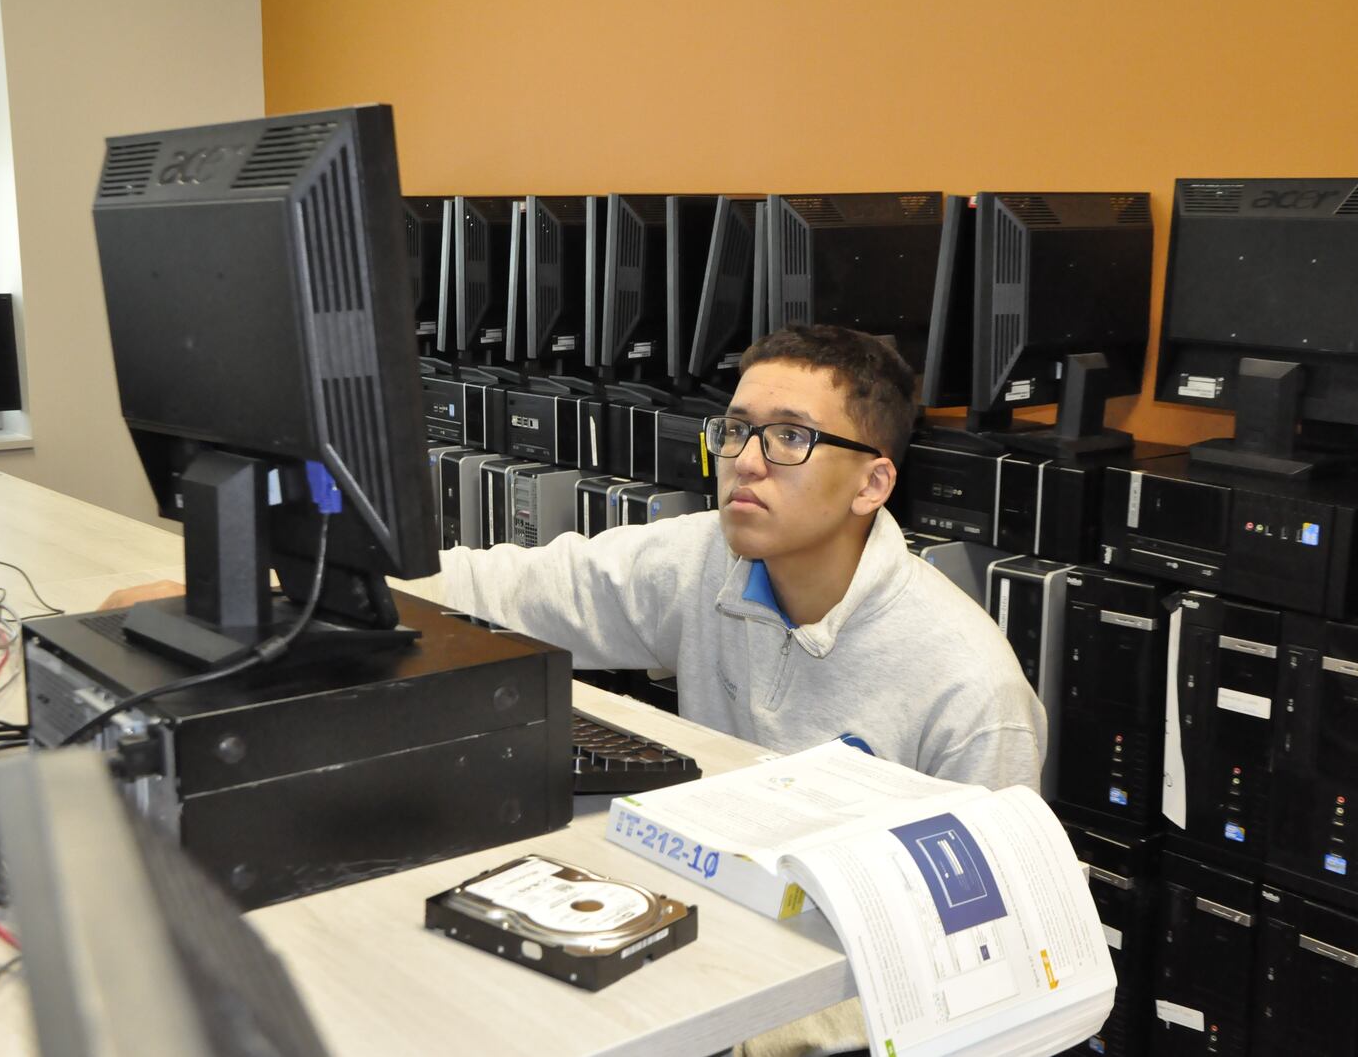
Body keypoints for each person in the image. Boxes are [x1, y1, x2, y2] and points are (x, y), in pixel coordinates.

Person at [104, 323, 1045, 791]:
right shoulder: (703, 560)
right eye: (737, 428)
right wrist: (259, 591)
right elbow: (506, 589)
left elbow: (1000, 939)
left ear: (874, 483)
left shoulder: (969, 687)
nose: (748, 460)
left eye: (792, 437)